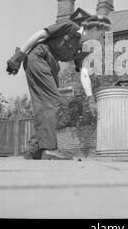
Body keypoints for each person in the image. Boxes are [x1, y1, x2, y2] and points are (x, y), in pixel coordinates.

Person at [6, 15, 111, 160]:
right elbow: (39, 35)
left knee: (46, 105)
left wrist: (90, 98)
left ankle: (33, 149)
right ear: (93, 29)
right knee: (53, 102)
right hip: (39, 57)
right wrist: (19, 56)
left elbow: (84, 73)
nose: (102, 39)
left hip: (51, 65)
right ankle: (48, 149)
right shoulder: (69, 27)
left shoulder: (84, 48)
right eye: (102, 35)